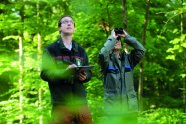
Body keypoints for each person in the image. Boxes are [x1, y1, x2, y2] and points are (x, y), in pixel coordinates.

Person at [40, 15, 93, 124]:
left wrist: (85, 76)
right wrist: (63, 73)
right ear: (59, 28)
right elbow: (45, 74)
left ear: (73, 28)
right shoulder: (50, 50)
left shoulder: (81, 51)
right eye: (65, 22)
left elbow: (89, 73)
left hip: (80, 102)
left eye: (71, 22)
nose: (69, 24)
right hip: (61, 102)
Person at [98, 29, 145, 123]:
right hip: (114, 110)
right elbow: (103, 54)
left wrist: (127, 37)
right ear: (109, 43)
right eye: (115, 40)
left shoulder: (129, 59)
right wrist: (112, 38)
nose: (117, 41)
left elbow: (141, 50)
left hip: (130, 109)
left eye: (118, 40)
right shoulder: (105, 62)